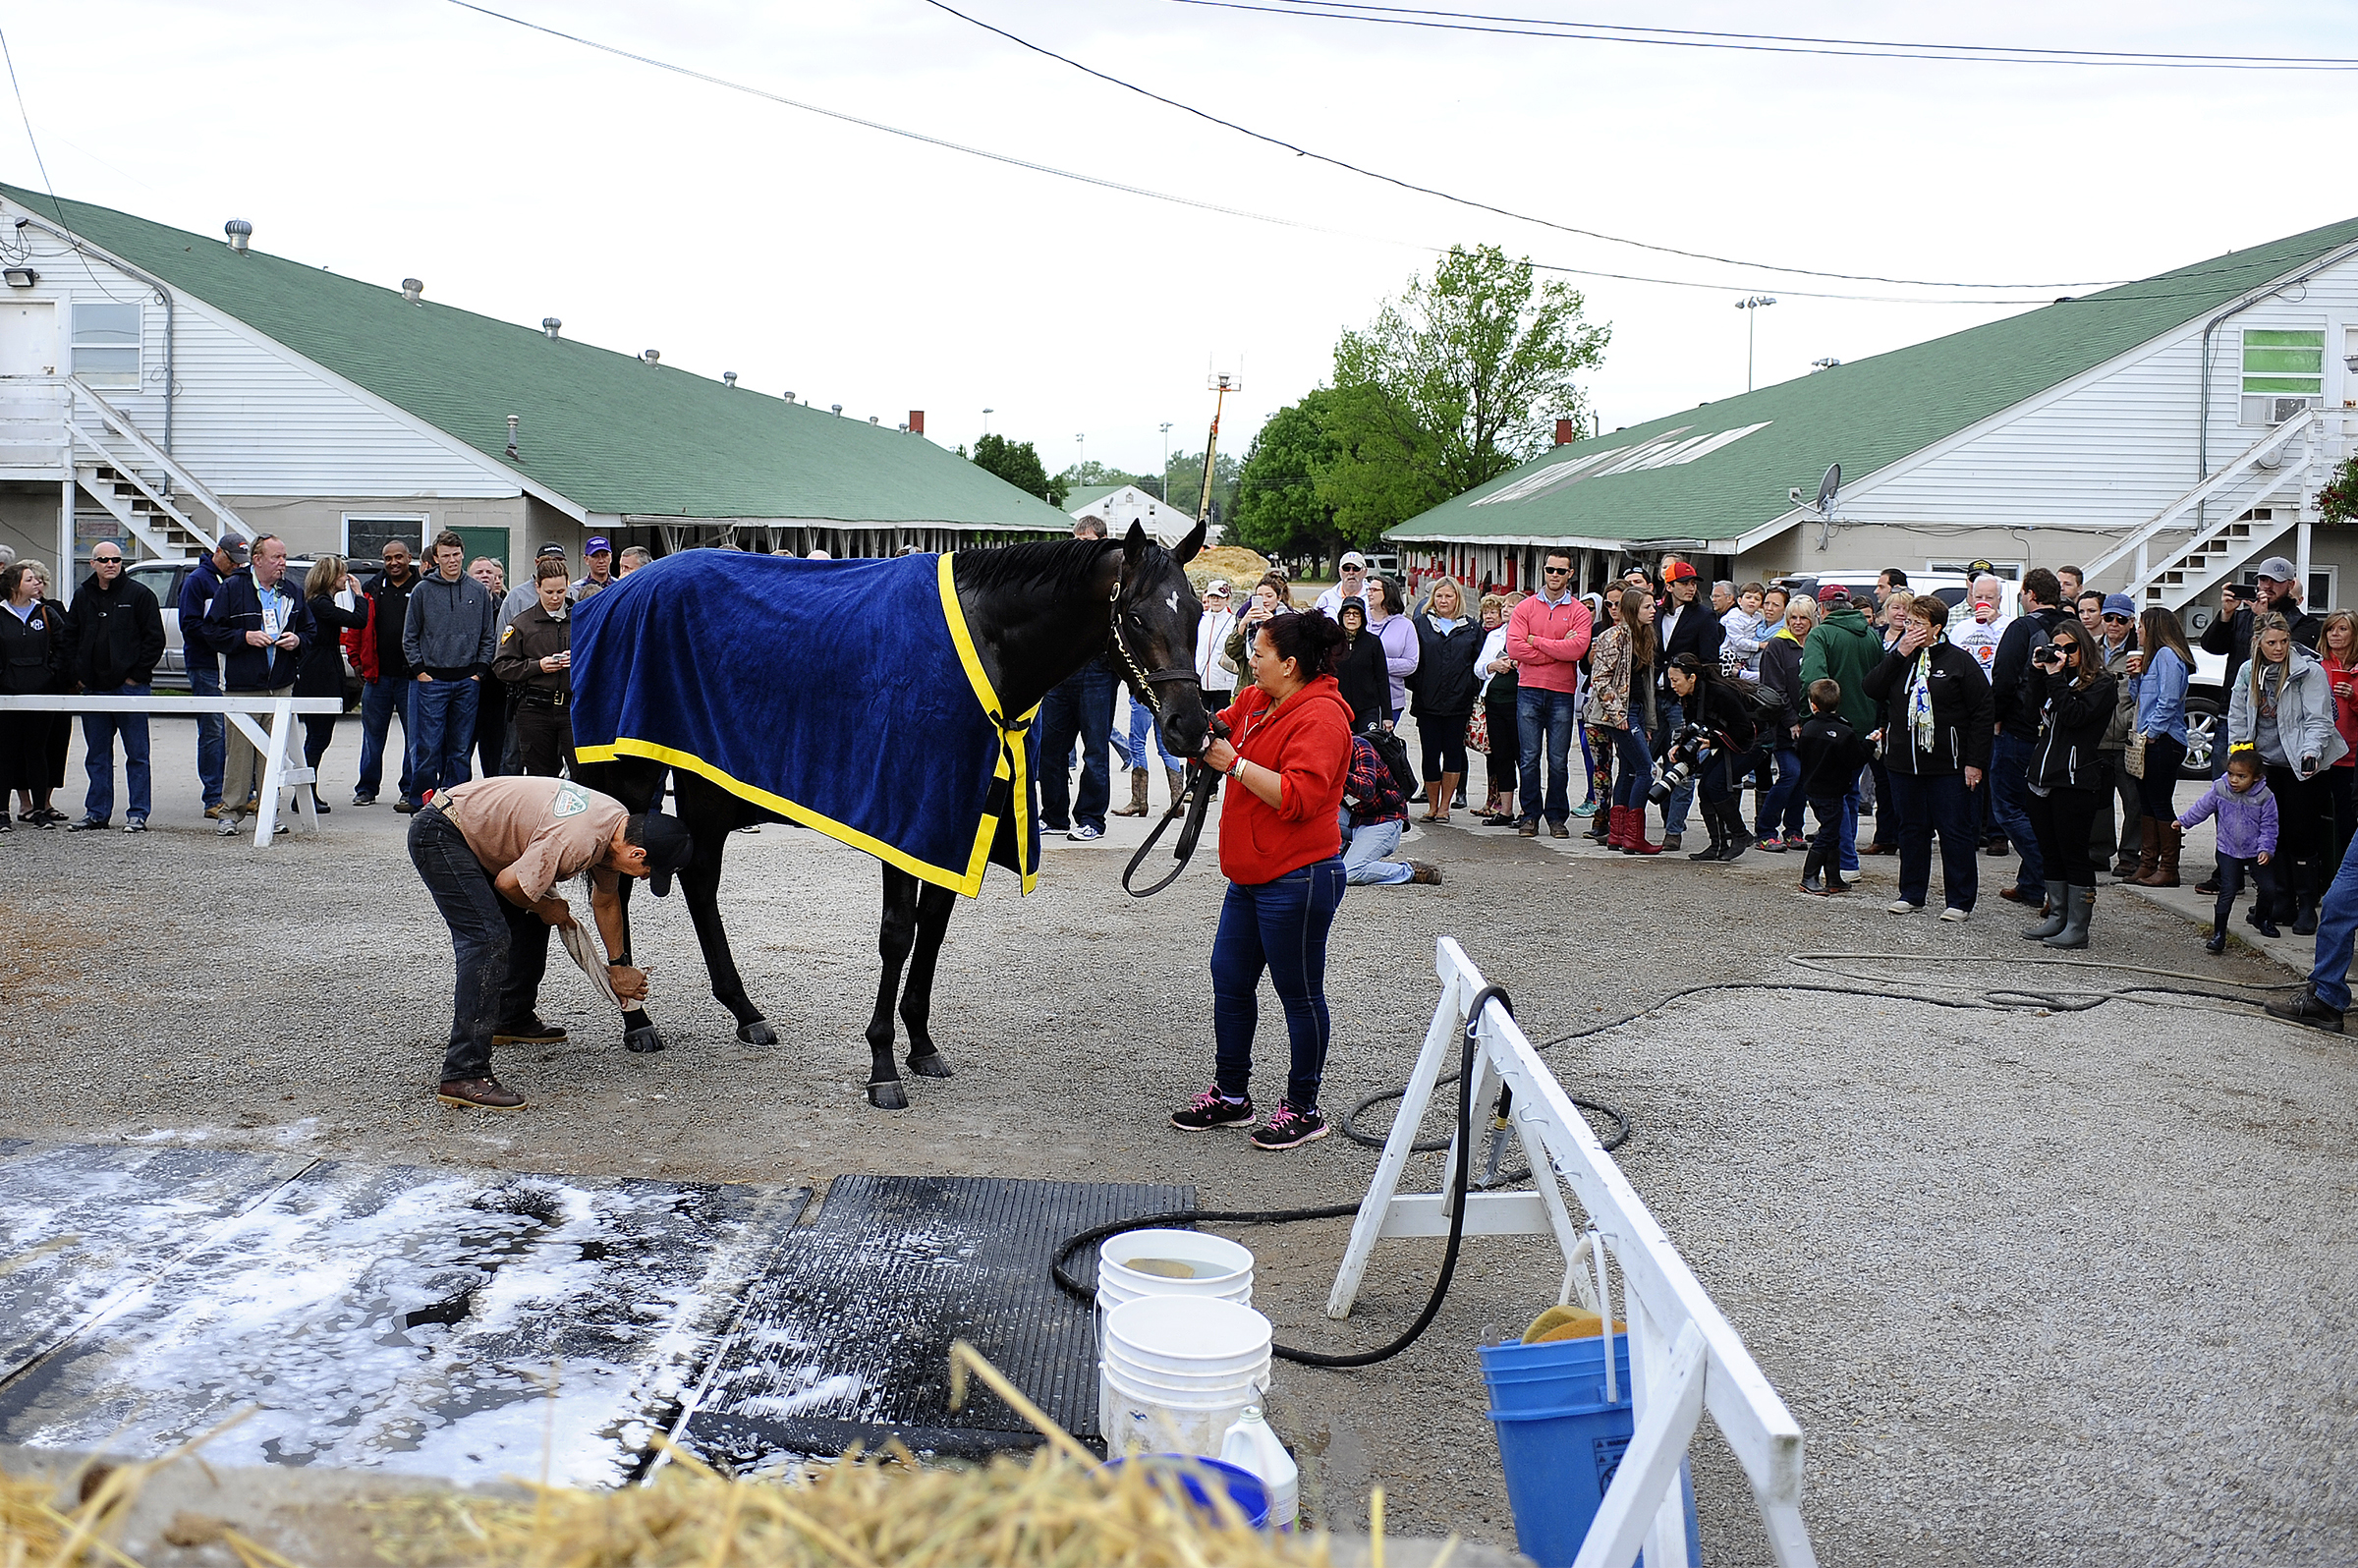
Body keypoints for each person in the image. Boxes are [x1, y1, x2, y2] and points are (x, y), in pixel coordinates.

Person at [1171, 610, 1354, 1151]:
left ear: (1290, 665)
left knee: (1298, 994)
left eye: (1260, 655)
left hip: (1299, 876)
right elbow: (1214, 725)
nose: (1250, 662)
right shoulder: (1258, 701)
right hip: (1252, 874)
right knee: (1228, 980)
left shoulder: (1321, 718)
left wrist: (1233, 765)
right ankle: (1231, 1095)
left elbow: (1299, 798)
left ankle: (1304, 1107)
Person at [408, 774, 692, 1109]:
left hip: (475, 833)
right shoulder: (579, 840)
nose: (645, 878)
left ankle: (511, 1017)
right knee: (487, 938)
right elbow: (510, 884)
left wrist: (618, 967)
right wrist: (548, 907)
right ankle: (463, 1072)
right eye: (648, 871)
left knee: (530, 913)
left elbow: (605, 900)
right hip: (443, 833)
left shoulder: (616, 826)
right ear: (637, 853)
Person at [1861, 594, 1993, 920]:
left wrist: (1974, 761)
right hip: (1904, 763)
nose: (1912, 628)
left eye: (1919, 623)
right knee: (1911, 829)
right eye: (1909, 622)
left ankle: (1960, 900)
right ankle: (1912, 892)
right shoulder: (1899, 657)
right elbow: (1872, 688)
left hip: (1948, 764)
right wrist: (1900, 652)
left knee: (1954, 831)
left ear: (1936, 627)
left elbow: (1982, 711)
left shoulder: (1959, 661)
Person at [2226, 612, 2346, 934]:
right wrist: (2239, 755)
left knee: (2301, 834)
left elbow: (2319, 719)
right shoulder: (2248, 671)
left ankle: (2307, 904)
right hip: (2265, 765)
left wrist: (2311, 752)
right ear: (2258, 643)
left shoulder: (2309, 671)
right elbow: (2238, 715)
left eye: (2283, 641)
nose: (2278, 648)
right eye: (2271, 643)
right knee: (2270, 834)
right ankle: (2281, 899)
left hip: (2301, 762)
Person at [198, 533, 316, 837]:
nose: (282, 562)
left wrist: (298, 640)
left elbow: (311, 631)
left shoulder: (292, 591)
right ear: (257, 560)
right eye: (276, 557)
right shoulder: (232, 589)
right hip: (242, 685)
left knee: (272, 755)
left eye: (284, 556)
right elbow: (210, 631)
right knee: (239, 753)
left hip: (280, 684)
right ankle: (230, 813)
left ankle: (269, 812)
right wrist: (245, 637)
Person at [2016, 618, 2117, 950]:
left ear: (2084, 648)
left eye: (2070, 648)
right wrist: (2036, 672)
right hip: (2042, 776)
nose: (2063, 654)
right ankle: (2057, 916)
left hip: (2076, 780)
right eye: (2057, 648)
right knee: (2050, 851)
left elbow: (2075, 717)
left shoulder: (2102, 684)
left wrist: (2056, 678)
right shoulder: (2053, 677)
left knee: (2074, 853)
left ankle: (2078, 926)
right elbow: (2029, 712)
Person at [1033, 516, 1120, 843]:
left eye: (1087, 542)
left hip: (1097, 672)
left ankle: (1091, 819)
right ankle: (1054, 815)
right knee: (1051, 750)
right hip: (1061, 671)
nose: (1080, 549)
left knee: (1095, 750)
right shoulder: (1060, 578)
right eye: (1076, 541)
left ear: (1101, 542)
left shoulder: (1113, 582)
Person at [1989, 568, 2071, 905]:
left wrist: (1995, 717)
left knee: (2008, 808)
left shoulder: (2022, 628)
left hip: (2021, 728)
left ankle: (2050, 875)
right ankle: (2032, 884)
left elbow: (2004, 676)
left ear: (2029, 594)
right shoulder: (2070, 629)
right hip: (2060, 732)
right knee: (2038, 810)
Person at [405, 529, 499, 808]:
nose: (452, 560)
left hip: (467, 681)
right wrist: (420, 671)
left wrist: (479, 670)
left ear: (463, 554)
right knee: (428, 747)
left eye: (456, 554)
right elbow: (410, 635)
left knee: (459, 750)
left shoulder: (477, 591)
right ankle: (420, 803)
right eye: (446, 556)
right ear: (436, 558)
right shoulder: (422, 590)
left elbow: (488, 634)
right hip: (432, 680)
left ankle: (457, 803)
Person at [1507, 549, 1594, 839]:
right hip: (1529, 689)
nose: (1554, 575)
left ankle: (1557, 816)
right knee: (1529, 757)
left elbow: (1578, 650)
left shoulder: (1579, 611)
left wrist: (1536, 642)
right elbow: (1515, 649)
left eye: (1560, 570)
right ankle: (1530, 815)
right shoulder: (1526, 608)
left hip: (1561, 693)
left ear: (1571, 574)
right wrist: (1557, 650)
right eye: (1549, 569)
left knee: (1558, 760)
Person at [1797, 584, 1881, 877]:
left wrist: (1808, 715)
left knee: (1835, 798)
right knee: (1850, 792)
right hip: (1865, 725)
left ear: (1821, 609)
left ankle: (1846, 861)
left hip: (1830, 727)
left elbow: (1813, 678)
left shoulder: (1821, 634)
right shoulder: (1871, 634)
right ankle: (1845, 860)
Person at [1662, 651, 1765, 862]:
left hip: (1754, 742)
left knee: (1715, 785)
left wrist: (1712, 742)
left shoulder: (1719, 692)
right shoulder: (1690, 697)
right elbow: (1694, 727)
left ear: (1692, 678)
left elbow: (1744, 728)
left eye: (1675, 680)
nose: (1672, 685)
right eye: (1670, 680)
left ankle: (1740, 835)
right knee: (1705, 787)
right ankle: (1717, 845)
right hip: (1729, 741)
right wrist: (1679, 746)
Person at [1651, 562, 1723, 849]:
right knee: (1647, 762)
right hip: (1654, 697)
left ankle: (1674, 830)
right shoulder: (1655, 614)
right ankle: (1665, 814)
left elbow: (1710, 663)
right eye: (1684, 583)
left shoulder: (1705, 616)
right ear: (1669, 586)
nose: (1691, 587)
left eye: (1694, 582)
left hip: (1683, 701)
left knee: (1682, 764)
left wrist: (1699, 700)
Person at [2179, 752, 2278, 953]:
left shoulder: (2265, 796)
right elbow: (2203, 807)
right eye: (2231, 774)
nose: (2234, 780)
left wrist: (2266, 849)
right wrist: (2183, 821)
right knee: (2228, 890)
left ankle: (2261, 918)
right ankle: (2219, 934)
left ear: (2256, 777)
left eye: (2242, 776)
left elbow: (2270, 826)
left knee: (2268, 888)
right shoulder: (2221, 788)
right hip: (2228, 849)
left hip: (2255, 851)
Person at [2128, 606, 2196, 888]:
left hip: (2164, 741)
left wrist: (2153, 733)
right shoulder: (2153, 658)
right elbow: (2140, 699)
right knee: (2146, 801)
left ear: (2154, 627)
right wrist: (2136, 676)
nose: (2137, 630)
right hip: (2149, 739)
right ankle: (2148, 864)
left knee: (2159, 801)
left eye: (2141, 626)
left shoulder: (2169, 656)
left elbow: (2168, 700)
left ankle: (2168, 867)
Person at [353, 538, 423, 809]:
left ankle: (409, 788)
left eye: (398, 557)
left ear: (409, 558)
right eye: (388, 558)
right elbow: (359, 626)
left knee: (414, 738)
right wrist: (357, 659)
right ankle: (367, 788)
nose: (393, 562)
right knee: (372, 736)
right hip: (377, 676)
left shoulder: (420, 587)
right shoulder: (372, 588)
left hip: (410, 677)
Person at [0, 560, 70, 833]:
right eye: (30, 579)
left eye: (38, 580)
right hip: (7, 696)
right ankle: (3, 811)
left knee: (37, 751)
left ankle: (40, 810)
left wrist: (51, 675)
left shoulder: (47, 613)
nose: (37, 583)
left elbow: (64, 647)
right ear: (14, 585)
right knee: (5, 753)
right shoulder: (1, 614)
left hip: (41, 694)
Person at [491, 557, 577, 776]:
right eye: (549, 592)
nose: (556, 598)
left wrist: (578, 658)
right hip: (535, 708)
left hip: (572, 708)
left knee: (582, 772)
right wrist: (538, 666)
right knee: (541, 776)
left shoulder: (581, 618)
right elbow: (502, 666)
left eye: (561, 591)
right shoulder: (522, 623)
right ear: (537, 587)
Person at [298, 555, 369, 816]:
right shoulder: (321, 604)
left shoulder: (319, 603)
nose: (346, 578)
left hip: (323, 667)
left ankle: (305, 791)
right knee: (318, 735)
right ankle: (304, 792)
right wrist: (358, 594)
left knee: (318, 736)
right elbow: (359, 620)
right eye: (342, 574)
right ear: (330, 577)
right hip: (319, 671)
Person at [1588, 587, 1658, 855]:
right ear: (1633, 610)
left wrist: (1649, 722)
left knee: (1629, 771)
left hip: (1637, 709)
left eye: (1653, 606)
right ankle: (1634, 835)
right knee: (1647, 769)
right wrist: (1618, 715)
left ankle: (1618, 835)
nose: (1653, 611)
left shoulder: (1646, 636)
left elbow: (1645, 684)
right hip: (1619, 713)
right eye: (1647, 607)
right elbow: (1601, 680)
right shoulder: (1613, 637)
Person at [1406, 578, 1482, 824]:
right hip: (1427, 702)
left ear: (1457, 598)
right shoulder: (1421, 625)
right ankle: (1431, 805)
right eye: (1439, 596)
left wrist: (1469, 687)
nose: (1444, 601)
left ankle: (1445, 807)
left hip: (1458, 703)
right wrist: (1419, 686)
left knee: (1452, 754)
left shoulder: (1471, 628)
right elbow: (1413, 661)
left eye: (1449, 596)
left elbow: (1478, 664)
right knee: (1429, 755)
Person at [1796, 679, 1869, 895]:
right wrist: (1871, 743)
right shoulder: (1843, 732)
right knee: (1828, 833)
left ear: (1813, 704)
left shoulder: (1809, 727)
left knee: (1832, 832)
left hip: (1813, 789)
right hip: (1833, 791)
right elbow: (1856, 760)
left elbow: (1800, 752)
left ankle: (1834, 877)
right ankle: (1809, 876)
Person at [2088, 593, 2142, 880]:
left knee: (2132, 801)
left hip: (2126, 739)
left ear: (2131, 622)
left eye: (2121, 619)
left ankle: (2130, 855)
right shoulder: (2091, 650)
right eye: (2109, 617)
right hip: (2096, 737)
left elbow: (2145, 695)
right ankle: (2098, 852)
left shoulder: (2140, 653)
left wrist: (2129, 723)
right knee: (2099, 800)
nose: (2114, 624)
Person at [1340, 731, 1439, 886]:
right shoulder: (1314, 751)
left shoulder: (1358, 745)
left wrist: (1334, 770)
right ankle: (1339, 854)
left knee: (1351, 872)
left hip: (1383, 819)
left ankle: (1409, 871)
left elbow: (1366, 789)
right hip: (1354, 817)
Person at [1756, 594, 1815, 853]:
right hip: (1782, 725)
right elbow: (1774, 690)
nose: (1798, 622)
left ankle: (1794, 830)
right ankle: (1765, 830)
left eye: (1804, 617)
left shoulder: (1816, 644)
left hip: (1811, 725)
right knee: (1791, 774)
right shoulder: (1777, 646)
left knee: (1803, 779)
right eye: (1793, 617)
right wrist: (1791, 721)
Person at [2315, 608, 2358, 874]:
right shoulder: (2318, 667)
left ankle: (2344, 876)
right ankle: (2320, 875)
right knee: (2317, 820)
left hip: (2350, 758)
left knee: (2346, 822)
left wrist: (2353, 696)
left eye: (2342, 629)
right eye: (2331, 629)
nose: (2335, 634)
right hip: (2320, 756)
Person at [1474, 592, 1519, 823]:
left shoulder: (1528, 635)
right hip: (1494, 700)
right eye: (1505, 606)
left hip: (1520, 701)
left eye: (1511, 606)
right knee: (1500, 755)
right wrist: (1493, 665)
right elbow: (1479, 667)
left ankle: (1528, 809)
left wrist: (1514, 663)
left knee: (1524, 756)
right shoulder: (1494, 636)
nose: (1505, 609)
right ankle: (1505, 809)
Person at [1364, 576, 1420, 726]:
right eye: (1369, 589)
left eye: (1374, 590)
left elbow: (1411, 663)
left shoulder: (1405, 626)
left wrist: (1380, 664)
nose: (1369, 593)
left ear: (1388, 593)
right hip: (1361, 699)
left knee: (1380, 744)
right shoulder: (1359, 621)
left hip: (1391, 699)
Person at [1331, 597, 1389, 732]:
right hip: (1340, 706)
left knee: (1367, 746)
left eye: (1356, 614)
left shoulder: (1373, 643)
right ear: (1341, 617)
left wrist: (1387, 715)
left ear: (1362, 618)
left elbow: (1382, 679)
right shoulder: (1333, 644)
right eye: (1348, 614)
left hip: (1368, 708)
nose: (1351, 618)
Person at [2250, 556, 2324, 652]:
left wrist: (2264, 618)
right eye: (2263, 580)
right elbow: (2223, 648)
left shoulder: (2306, 623)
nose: (2268, 586)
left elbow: (2283, 654)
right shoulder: (2241, 616)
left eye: (2276, 581)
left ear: (2291, 585)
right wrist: (2226, 615)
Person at [1195, 579, 1238, 710]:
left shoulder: (1233, 622)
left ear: (1228, 599)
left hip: (1224, 684)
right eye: (1213, 597)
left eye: (1220, 597)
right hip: (1201, 683)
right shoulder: (1200, 619)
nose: (1216, 601)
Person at [1719, 582, 1770, 678]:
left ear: (1761, 605)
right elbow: (1738, 641)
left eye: (1757, 599)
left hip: (1745, 658)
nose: (1752, 601)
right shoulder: (1735, 617)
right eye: (1748, 597)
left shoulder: (1759, 617)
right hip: (1730, 655)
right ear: (1739, 601)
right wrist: (1759, 645)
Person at [1312, 552, 1370, 618]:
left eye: (1356, 569)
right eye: (1346, 569)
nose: (1351, 572)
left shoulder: (1373, 597)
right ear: (1340, 571)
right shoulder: (1326, 598)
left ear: (1365, 572)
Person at [572, 536, 616, 601]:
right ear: (586, 559)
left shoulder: (619, 585)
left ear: (611, 557)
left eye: (604, 555)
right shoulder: (576, 588)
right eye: (595, 556)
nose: (601, 561)